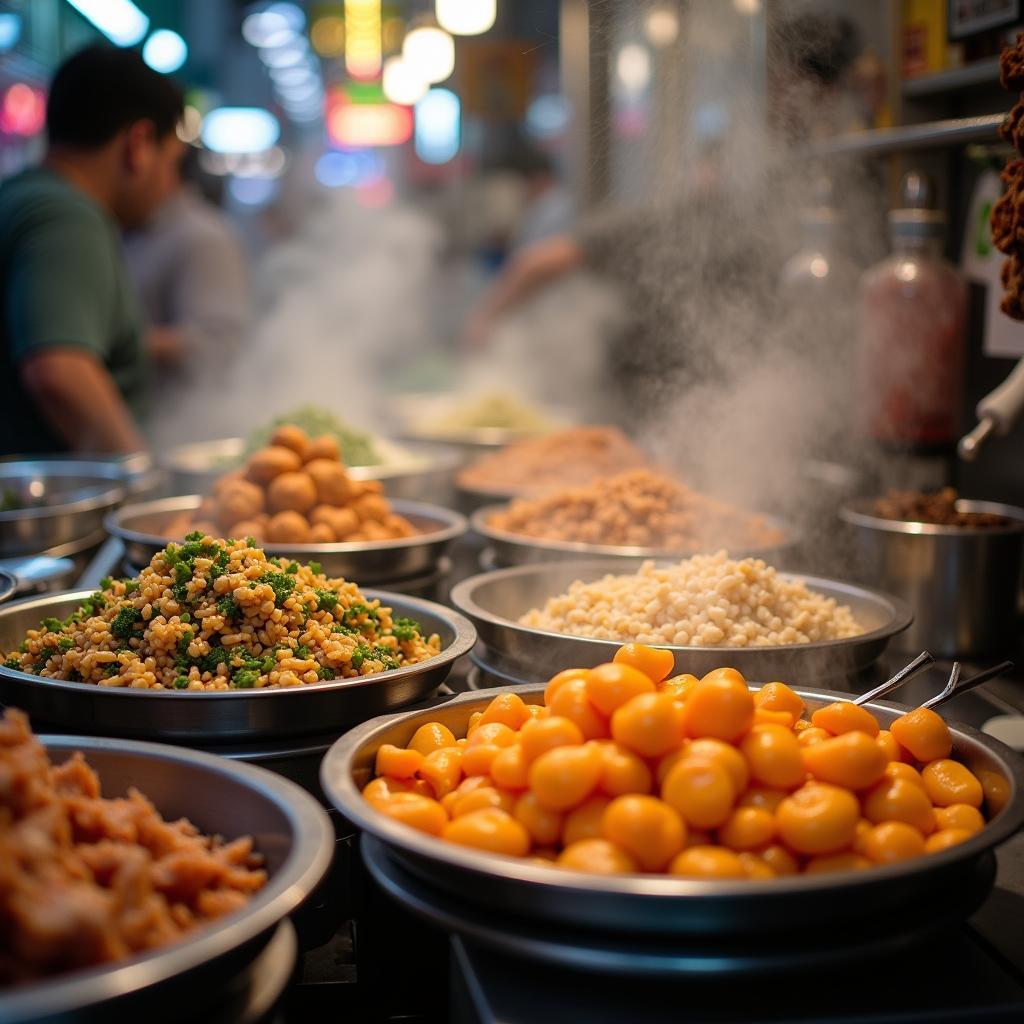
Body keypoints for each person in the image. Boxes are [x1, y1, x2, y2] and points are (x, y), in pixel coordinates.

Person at [462, 12, 863, 420]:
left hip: (717, 407)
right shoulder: (679, 219)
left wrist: (480, 327)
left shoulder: (800, 192)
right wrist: (482, 327)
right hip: (678, 408)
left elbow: (541, 261)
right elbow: (545, 260)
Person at [0, 45, 184, 456]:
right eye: (172, 162)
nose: (170, 186)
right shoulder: (67, 218)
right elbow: (59, 370)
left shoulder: (21, 197)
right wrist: (141, 476)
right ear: (138, 144)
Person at [123, 146, 250, 447]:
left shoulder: (204, 237)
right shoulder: (130, 230)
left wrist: (114, 344)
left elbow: (220, 345)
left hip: (181, 435)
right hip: (145, 426)